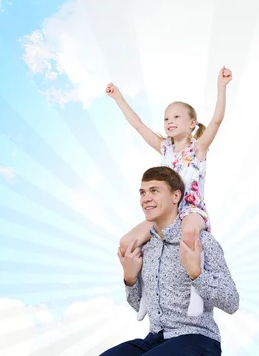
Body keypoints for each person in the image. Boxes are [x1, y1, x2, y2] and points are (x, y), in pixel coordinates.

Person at [106, 66, 232, 319]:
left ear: (192, 123)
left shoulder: (198, 148)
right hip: (166, 212)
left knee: (188, 232)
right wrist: (118, 98)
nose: (169, 122)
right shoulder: (165, 148)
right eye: (166, 119)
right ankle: (148, 292)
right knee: (125, 242)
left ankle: (197, 291)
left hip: (190, 210)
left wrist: (221, 87)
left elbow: (217, 120)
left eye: (176, 117)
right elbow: (139, 126)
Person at [100, 166, 239, 356]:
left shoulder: (201, 241)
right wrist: (130, 279)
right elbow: (139, 306)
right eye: (142, 192)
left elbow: (232, 302)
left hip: (198, 339)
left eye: (154, 191)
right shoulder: (147, 248)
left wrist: (196, 273)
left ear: (176, 196)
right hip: (155, 339)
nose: (145, 198)